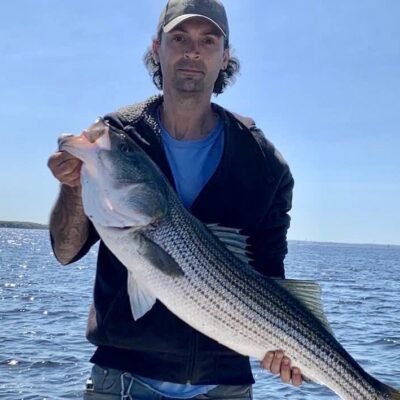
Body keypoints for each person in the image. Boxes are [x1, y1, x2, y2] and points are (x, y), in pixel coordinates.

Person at [47, 0, 302, 398]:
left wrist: (288, 347)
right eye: (179, 38)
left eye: (208, 40)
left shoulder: (263, 162)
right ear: (156, 49)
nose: (193, 51)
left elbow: (269, 273)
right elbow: (65, 251)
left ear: (225, 56)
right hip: (121, 380)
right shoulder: (119, 136)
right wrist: (73, 185)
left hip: (224, 386)